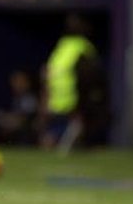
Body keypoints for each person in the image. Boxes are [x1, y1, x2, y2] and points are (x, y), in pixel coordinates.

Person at [40, 14, 105, 152]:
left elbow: (48, 71)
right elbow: (90, 72)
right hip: (73, 91)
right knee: (78, 120)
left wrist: (47, 92)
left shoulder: (62, 46)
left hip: (56, 92)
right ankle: (65, 146)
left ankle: (55, 142)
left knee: (62, 123)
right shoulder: (83, 46)